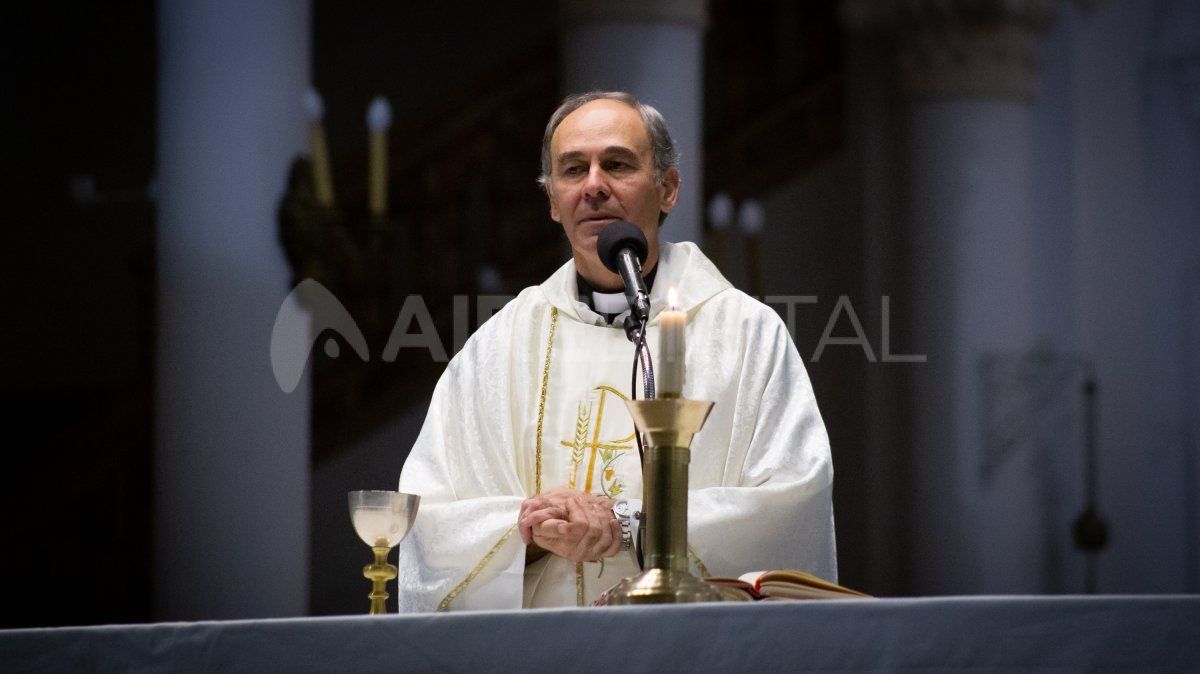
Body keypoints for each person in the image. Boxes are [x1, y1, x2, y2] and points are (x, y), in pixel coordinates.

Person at [396, 91, 835, 611]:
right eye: (573, 169)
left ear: (668, 188)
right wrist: (534, 530)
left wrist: (630, 524)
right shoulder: (496, 350)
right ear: (552, 201)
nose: (594, 186)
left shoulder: (743, 334)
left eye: (618, 164)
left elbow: (792, 499)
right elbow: (433, 515)